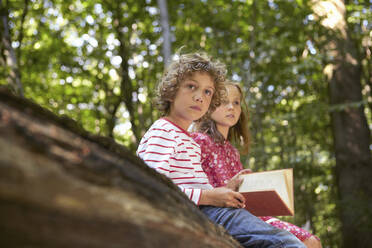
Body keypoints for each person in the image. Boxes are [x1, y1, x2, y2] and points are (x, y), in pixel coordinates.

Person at [136, 52, 306, 248]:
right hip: (197, 212)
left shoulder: (188, 139)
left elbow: (195, 186)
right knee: (285, 242)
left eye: (208, 92)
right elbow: (150, 188)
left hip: (206, 211)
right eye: (191, 86)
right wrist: (210, 196)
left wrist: (226, 188)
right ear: (171, 91)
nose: (200, 97)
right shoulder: (163, 131)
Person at [191, 80, 322, 248]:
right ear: (208, 107)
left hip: (250, 213)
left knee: (312, 241)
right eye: (224, 102)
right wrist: (229, 188)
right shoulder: (199, 141)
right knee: (305, 243)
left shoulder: (232, 151)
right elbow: (195, 188)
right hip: (225, 214)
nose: (231, 107)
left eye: (236, 102)